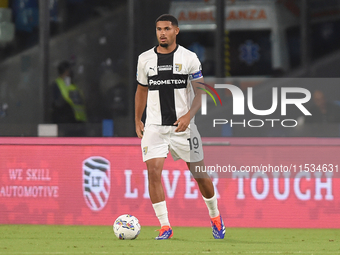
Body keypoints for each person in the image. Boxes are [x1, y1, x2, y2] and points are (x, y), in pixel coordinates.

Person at [134, 14, 225, 240]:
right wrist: (137, 119)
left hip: (182, 127)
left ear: (176, 31)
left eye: (166, 28)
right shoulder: (145, 59)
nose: (162, 33)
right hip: (154, 127)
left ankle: (215, 217)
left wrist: (188, 116)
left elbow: (201, 92)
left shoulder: (189, 58)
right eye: (158, 29)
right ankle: (165, 226)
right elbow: (142, 90)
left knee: (200, 174)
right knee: (153, 173)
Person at [51, 61, 87, 136]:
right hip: (66, 125)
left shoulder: (73, 85)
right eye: (69, 70)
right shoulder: (56, 85)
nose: (71, 72)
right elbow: (56, 106)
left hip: (79, 123)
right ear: (66, 71)